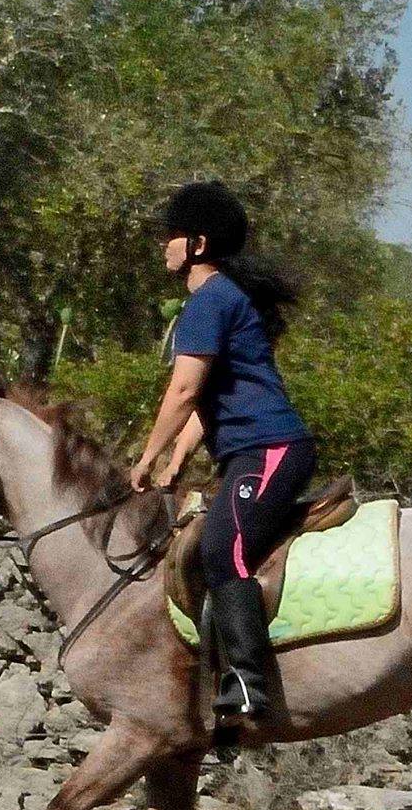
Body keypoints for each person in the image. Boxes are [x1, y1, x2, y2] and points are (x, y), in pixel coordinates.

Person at [129, 181, 316, 720]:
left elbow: (184, 391)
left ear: (199, 244)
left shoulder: (210, 302)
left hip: (271, 448)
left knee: (222, 548)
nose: (164, 245)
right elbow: (206, 402)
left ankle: (248, 681)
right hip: (248, 451)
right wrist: (175, 462)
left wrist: (145, 458)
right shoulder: (219, 300)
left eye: (173, 236)